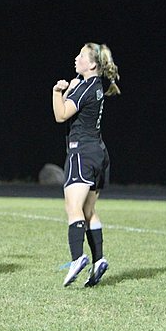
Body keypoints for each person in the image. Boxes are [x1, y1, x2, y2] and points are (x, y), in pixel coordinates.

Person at [52, 43, 120, 287]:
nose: (76, 58)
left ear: (92, 64)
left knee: (73, 208)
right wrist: (72, 89)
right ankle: (98, 259)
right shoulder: (97, 85)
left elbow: (61, 115)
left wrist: (57, 91)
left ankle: (77, 258)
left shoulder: (85, 88)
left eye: (81, 55)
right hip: (99, 153)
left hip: (81, 152)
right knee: (89, 211)